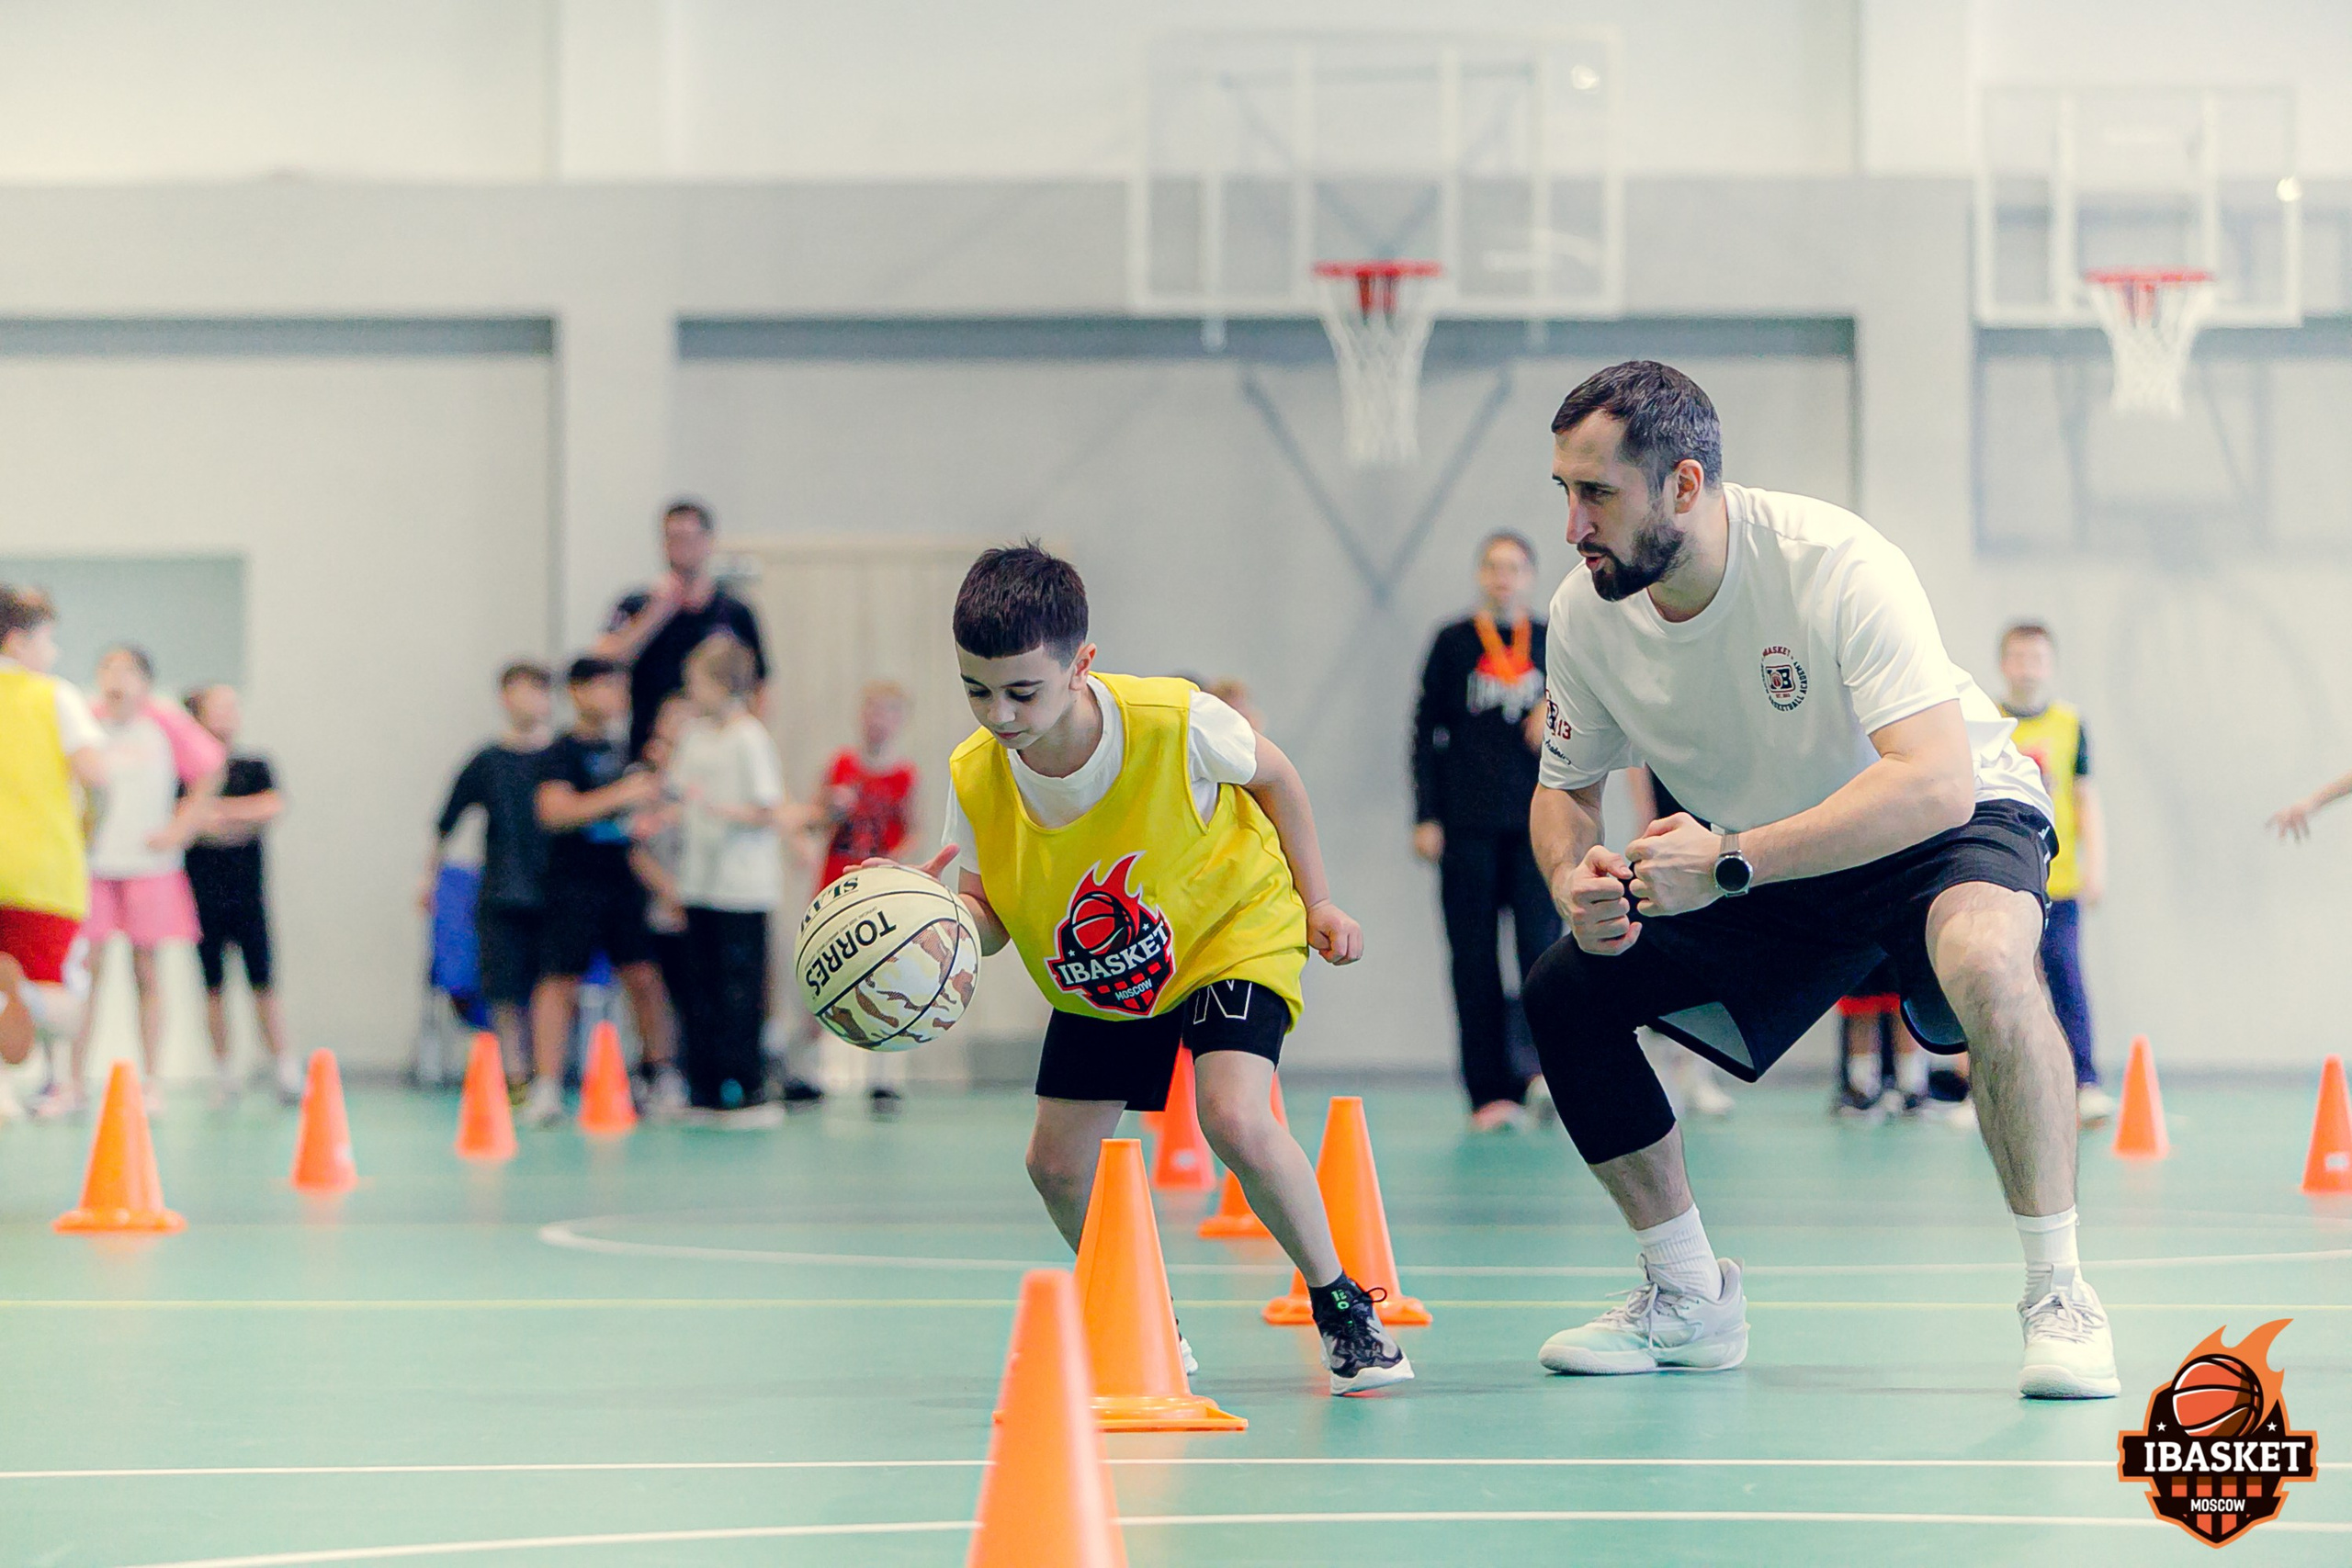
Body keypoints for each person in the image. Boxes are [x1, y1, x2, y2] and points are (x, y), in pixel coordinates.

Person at [1522, 361, 2113, 1400]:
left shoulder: (1832, 561)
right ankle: (1687, 1295)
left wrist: (1731, 857)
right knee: (1567, 989)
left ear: (1686, 486)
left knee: (1983, 960)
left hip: (1945, 819)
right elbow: (1564, 791)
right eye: (1565, 491)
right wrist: (1576, 876)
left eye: (1597, 493)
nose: (1573, 523)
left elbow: (1929, 781)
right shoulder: (1584, 615)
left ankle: (2059, 1294)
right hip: (1770, 852)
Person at [920, 544, 1410, 1395]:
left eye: (1021, 690)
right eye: (976, 689)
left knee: (1232, 1116)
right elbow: (989, 915)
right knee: (1054, 1164)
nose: (997, 713)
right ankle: (1147, 1315)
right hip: (1103, 967)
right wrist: (935, 927)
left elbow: (1279, 777)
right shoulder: (975, 774)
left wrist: (1319, 900)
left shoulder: (1177, 719)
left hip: (1229, 927)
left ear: (1081, 665)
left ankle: (1343, 1306)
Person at [1412, 531, 1563, 1131]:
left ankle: (1539, 1075)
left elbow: (1597, 712)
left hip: (1536, 825)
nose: (1503, 577)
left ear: (1529, 576)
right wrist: (1425, 815)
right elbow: (1424, 732)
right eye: (1493, 566)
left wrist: (1555, 705)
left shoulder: (1555, 641)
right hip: (1466, 826)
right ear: (1481, 574)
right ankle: (1487, 1090)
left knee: (1541, 954)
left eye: (1515, 567)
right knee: (1472, 959)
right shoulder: (1452, 643)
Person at [45, 645, 225, 1117]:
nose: (116, 678)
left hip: (150, 867)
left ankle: (150, 1083)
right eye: (107, 669)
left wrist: (180, 827)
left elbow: (210, 769)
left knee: (148, 971)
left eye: (126, 671)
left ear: (145, 681)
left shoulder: (164, 722)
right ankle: (73, 1082)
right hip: (96, 866)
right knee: (87, 973)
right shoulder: (85, 719)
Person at [526, 657, 673, 1126]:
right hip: (573, 883)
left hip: (622, 882)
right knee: (559, 982)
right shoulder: (559, 752)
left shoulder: (626, 751)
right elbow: (555, 812)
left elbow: (636, 823)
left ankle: (659, 1076)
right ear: (578, 692)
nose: (617, 696)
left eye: (621, 687)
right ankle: (547, 1087)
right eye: (607, 686)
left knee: (645, 979)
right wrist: (620, 796)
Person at [672, 636, 800, 1124]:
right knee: (700, 988)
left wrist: (730, 813)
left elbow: (768, 807)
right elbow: (681, 792)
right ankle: (702, 1090)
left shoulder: (750, 737)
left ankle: (747, 1088)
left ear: (724, 685)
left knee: (740, 990)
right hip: (699, 883)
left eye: (698, 683)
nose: (692, 692)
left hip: (742, 888)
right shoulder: (696, 736)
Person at [1996, 622, 2111, 1128]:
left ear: (2050, 665)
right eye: (2018, 657)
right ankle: (1990, 1088)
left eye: (2037, 658)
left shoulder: (2069, 724)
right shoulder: (1987, 720)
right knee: (2001, 983)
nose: (2027, 668)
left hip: (2058, 879)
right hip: (2002, 880)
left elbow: (2086, 799)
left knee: (2065, 977)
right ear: (2004, 664)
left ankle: (2085, 1082)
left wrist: (2097, 866)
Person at [425, 661, 555, 1089]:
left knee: (549, 983)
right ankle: (515, 1074)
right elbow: (445, 822)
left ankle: (545, 1073)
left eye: (537, 690)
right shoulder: (487, 761)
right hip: (501, 887)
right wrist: (429, 880)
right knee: (502, 985)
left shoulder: (559, 758)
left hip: (554, 888)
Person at [0, 586, 108, 1098]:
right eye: (48, 639)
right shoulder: (55, 696)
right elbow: (96, 773)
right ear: (19, 641)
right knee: (62, 1003)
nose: (54, 652)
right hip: (41, 871)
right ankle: (22, 999)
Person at [795, 679, 920, 1114]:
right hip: (835, 884)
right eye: (871, 710)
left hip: (879, 889)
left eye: (887, 711)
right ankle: (807, 1072)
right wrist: (829, 809)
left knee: (885, 979)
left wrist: (897, 859)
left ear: (900, 721)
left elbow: (913, 829)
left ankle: (884, 1078)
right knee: (820, 973)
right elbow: (809, 821)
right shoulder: (842, 767)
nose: (877, 720)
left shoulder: (905, 775)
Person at [183, 683, 299, 1108]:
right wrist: (214, 819)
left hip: (249, 897)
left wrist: (218, 815)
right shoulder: (185, 773)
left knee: (264, 983)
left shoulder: (254, 765)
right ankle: (223, 1071)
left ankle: (284, 1066)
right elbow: (188, 821)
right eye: (220, 707)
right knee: (212, 986)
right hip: (200, 898)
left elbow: (271, 806)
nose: (230, 714)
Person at [592, 500, 768, 759]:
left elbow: (761, 683)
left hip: (716, 747)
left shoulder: (735, 611)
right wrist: (654, 615)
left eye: (689, 538)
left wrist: (747, 739)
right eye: (672, 538)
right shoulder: (637, 605)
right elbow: (602, 661)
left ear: (709, 541)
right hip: (650, 746)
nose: (681, 548)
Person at [627, 694, 696, 1117]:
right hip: (652, 907)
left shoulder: (701, 777)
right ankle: (655, 1069)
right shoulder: (644, 778)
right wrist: (670, 891)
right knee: (650, 991)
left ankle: (690, 1072)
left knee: (692, 991)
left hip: (697, 905)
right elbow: (634, 848)